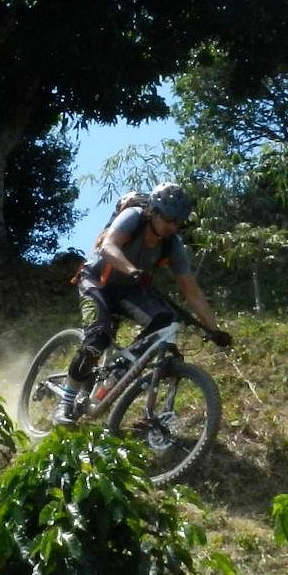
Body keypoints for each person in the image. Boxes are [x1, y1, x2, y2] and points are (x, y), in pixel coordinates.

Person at [54, 181, 231, 426]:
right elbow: (108, 247)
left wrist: (214, 330)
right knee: (98, 337)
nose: (172, 226)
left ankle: (122, 366)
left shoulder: (172, 244)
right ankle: (65, 402)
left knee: (164, 320)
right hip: (97, 282)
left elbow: (191, 291)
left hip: (127, 289)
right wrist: (131, 269)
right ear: (153, 212)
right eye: (168, 219)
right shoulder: (133, 217)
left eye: (177, 221)